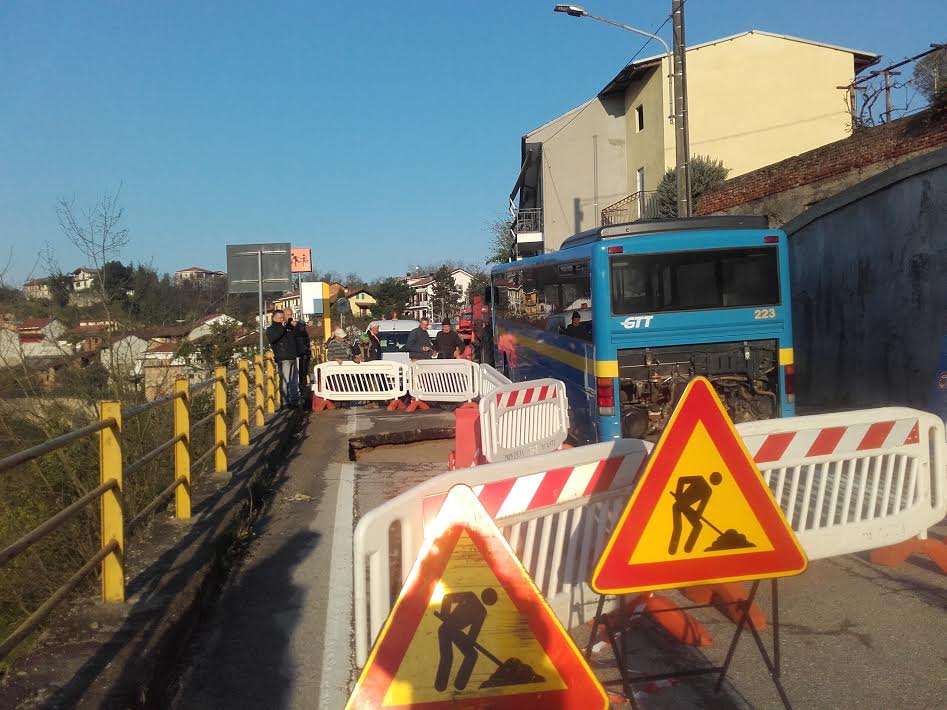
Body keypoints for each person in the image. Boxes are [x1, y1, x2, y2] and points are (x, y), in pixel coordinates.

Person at [265, 309, 298, 408]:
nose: (281, 319)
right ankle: (285, 401)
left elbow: (294, 338)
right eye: (279, 318)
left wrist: (292, 327)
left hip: (292, 356)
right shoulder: (271, 329)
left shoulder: (287, 327)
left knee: (293, 381)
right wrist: (284, 327)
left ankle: (293, 400)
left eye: (282, 317)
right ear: (274, 318)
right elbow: (274, 338)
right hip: (283, 358)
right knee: (285, 380)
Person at [294, 316, 312, 400]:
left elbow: (306, 343)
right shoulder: (297, 333)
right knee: (300, 374)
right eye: (302, 326)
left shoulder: (304, 333)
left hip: (305, 355)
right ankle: (301, 390)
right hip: (299, 356)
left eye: (304, 326)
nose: (303, 327)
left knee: (304, 373)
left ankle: (303, 389)